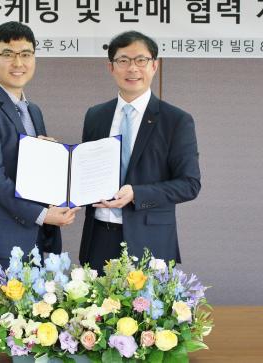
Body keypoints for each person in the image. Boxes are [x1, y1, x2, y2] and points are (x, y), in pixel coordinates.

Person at [0, 21, 79, 273]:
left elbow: (29, 170)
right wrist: (41, 215)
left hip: (35, 237)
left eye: (25, 54)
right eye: (8, 54)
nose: (18, 63)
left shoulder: (32, 110)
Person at [79, 30, 201, 272]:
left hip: (150, 242)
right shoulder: (96, 115)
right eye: (123, 60)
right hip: (99, 238)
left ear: (154, 66)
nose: (132, 68)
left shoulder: (176, 120)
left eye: (141, 60)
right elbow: (85, 172)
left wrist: (137, 193)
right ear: (111, 67)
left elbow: (189, 184)